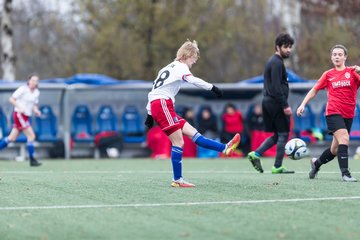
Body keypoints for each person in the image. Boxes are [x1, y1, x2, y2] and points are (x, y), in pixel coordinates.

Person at [145, 39, 240, 187]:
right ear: (187, 55)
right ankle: (177, 180)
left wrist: (150, 114)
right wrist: (212, 88)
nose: (193, 62)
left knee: (194, 134)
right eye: (193, 58)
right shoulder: (181, 67)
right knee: (179, 142)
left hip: (161, 105)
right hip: (163, 104)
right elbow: (193, 80)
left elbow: (153, 91)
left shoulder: (166, 68)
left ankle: (225, 148)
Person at [296, 45, 360, 182]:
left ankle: (316, 163)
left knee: (335, 149)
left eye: (340, 54)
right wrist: (303, 104)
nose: (337, 56)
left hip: (348, 115)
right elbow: (314, 90)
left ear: (345, 57)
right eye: (334, 54)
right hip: (333, 112)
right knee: (345, 138)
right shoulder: (328, 74)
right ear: (331, 57)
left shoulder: (353, 73)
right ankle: (345, 174)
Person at [247, 33, 295, 174]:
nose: (288, 50)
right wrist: (285, 105)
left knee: (277, 135)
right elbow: (276, 87)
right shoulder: (276, 62)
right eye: (285, 47)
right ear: (277, 47)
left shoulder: (274, 62)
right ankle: (277, 166)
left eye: (290, 47)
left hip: (268, 102)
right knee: (284, 134)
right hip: (275, 103)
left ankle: (256, 154)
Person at [0, 74, 42, 166]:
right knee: (31, 136)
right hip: (19, 115)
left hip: (26, 116)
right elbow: (11, 99)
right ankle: (32, 160)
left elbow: (34, 105)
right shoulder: (22, 89)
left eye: (36, 81)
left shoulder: (36, 92)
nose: (34, 82)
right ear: (29, 81)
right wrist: (19, 106)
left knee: (11, 138)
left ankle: (32, 159)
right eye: (33, 80)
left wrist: (36, 111)